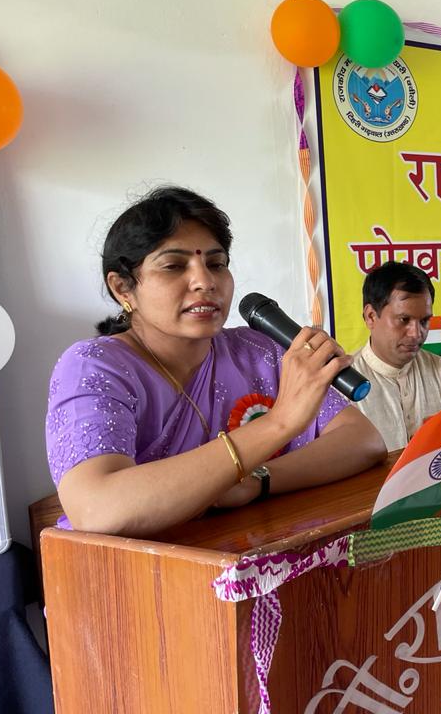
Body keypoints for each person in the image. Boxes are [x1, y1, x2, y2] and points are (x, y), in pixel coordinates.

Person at [45, 186, 386, 537]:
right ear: (123, 288)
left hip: (249, 550)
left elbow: (363, 441)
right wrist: (278, 423)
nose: (205, 281)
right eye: (174, 266)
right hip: (139, 568)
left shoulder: (258, 351)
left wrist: (258, 480)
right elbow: (97, 509)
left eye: (216, 264)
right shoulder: (94, 367)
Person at [351, 261, 441, 451]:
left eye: (424, 321)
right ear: (371, 317)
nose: (416, 334)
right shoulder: (344, 385)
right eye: (404, 319)